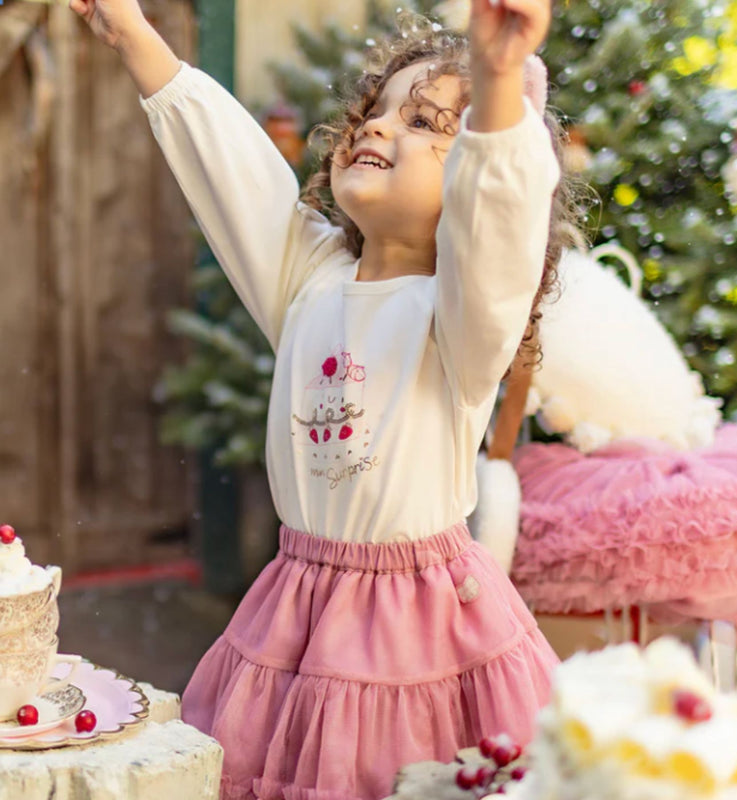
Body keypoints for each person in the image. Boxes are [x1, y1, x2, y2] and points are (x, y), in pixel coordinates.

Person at [69, 0, 572, 797]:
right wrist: (133, 31)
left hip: (424, 629)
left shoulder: (462, 319)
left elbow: (500, 221)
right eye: (375, 112)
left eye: (426, 124)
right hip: (296, 609)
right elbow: (232, 171)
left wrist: (500, 79)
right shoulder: (309, 280)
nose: (378, 129)